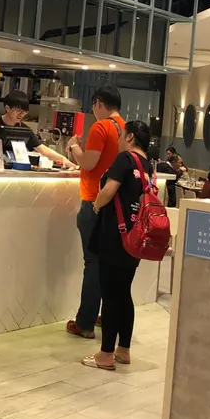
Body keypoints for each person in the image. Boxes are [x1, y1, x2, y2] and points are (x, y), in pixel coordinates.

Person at [81, 120, 155, 371]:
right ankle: (123, 350)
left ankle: (105, 355)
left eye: (122, 135)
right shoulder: (146, 165)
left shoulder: (125, 159)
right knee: (123, 292)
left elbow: (109, 190)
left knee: (111, 294)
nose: (120, 139)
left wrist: (96, 205)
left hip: (115, 235)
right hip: (135, 236)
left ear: (130, 136)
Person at [66, 85, 125, 338]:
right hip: (115, 203)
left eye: (93, 105)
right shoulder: (125, 128)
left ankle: (85, 323)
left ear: (99, 103)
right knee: (108, 263)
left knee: (93, 262)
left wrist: (73, 147)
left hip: (94, 200)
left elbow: (89, 163)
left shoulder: (100, 127)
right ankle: (105, 315)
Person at [0, 91, 68, 166]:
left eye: (24, 112)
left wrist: (65, 160)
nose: (21, 115)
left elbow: (43, 149)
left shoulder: (24, 130)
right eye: (18, 110)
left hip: (11, 170)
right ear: (7, 108)